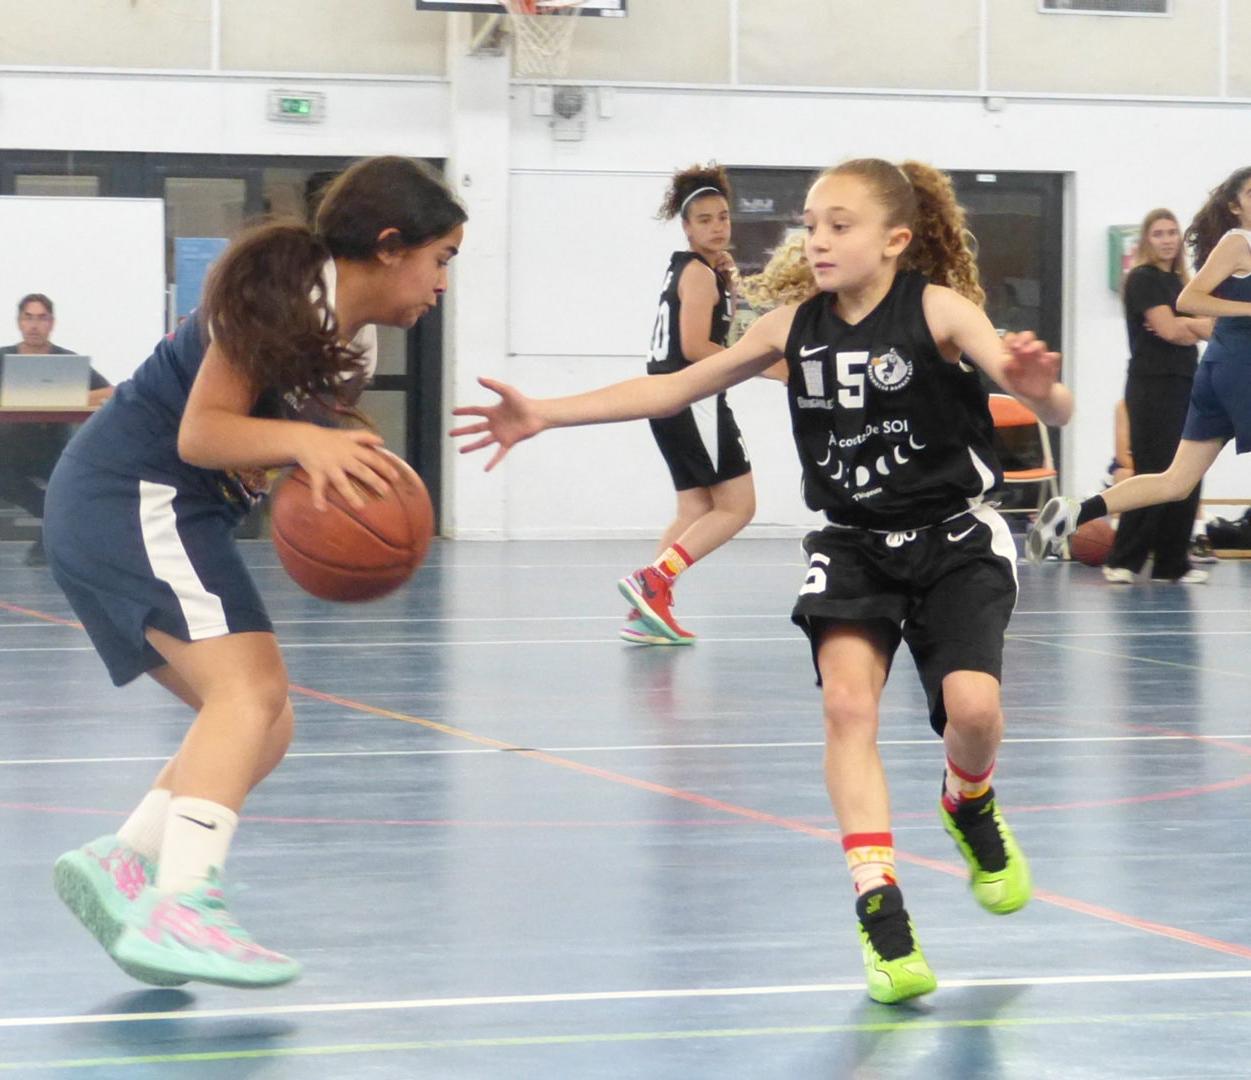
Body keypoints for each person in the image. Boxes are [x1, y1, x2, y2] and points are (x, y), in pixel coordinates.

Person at [452, 158, 1071, 1004]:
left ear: (895, 239)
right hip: (853, 545)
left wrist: (1044, 394)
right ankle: (882, 915)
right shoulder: (789, 327)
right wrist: (544, 413)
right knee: (846, 707)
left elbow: (1047, 399)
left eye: (840, 225)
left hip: (953, 539)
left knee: (973, 711)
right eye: (811, 225)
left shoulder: (938, 309)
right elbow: (672, 386)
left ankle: (968, 801)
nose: (818, 240)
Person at [44, 156, 465, 988]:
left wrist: (331, 467)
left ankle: (126, 860)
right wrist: (307, 442)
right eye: (440, 259)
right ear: (389, 247)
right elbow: (203, 433)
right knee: (248, 692)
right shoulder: (288, 296)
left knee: (265, 720)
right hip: (133, 496)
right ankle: (184, 904)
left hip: (162, 507)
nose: (442, 283)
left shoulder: (351, 339)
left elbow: (270, 445)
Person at [1029, 166, 1251, 568]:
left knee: (1176, 482)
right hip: (1237, 370)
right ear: (1235, 206)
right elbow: (1189, 300)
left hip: (1214, 368)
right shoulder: (1239, 242)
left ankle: (1075, 512)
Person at [619, 164, 755, 646]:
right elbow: (697, 346)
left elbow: (716, 328)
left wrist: (731, 284)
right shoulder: (698, 275)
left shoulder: (695, 269)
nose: (717, 227)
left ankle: (646, 610)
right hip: (693, 398)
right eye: (705, 220)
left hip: (668, 401)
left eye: (723, 217)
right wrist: (761, 363)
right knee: (738, 507)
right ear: (686, 226)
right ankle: (654, 579)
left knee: (695, 507)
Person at [1096, 210, 1214, 584]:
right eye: (1159, 233)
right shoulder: (1143, 279)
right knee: (1155, 469)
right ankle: (1123, 560)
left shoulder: (1183, 282)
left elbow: (1209, 328)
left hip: (1187, 383)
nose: (1167, 240)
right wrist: (1187, 326)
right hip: (1152, 385)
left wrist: (1186, 324)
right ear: (1147, 240)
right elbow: (1169, 331)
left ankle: (1172, 564)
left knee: (1188, 471)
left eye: (1172, 233)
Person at [0, 294, 113, 565]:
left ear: (51, 323)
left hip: (52, 448)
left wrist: (69, 396)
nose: (34, 325)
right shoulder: (0, 358)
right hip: (7, 449)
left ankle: (51, 536)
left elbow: (110, 391)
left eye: (41, 318)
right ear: (19, 322)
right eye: (28, 318)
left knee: (76, 480)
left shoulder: (66, 360)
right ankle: (54, 523)